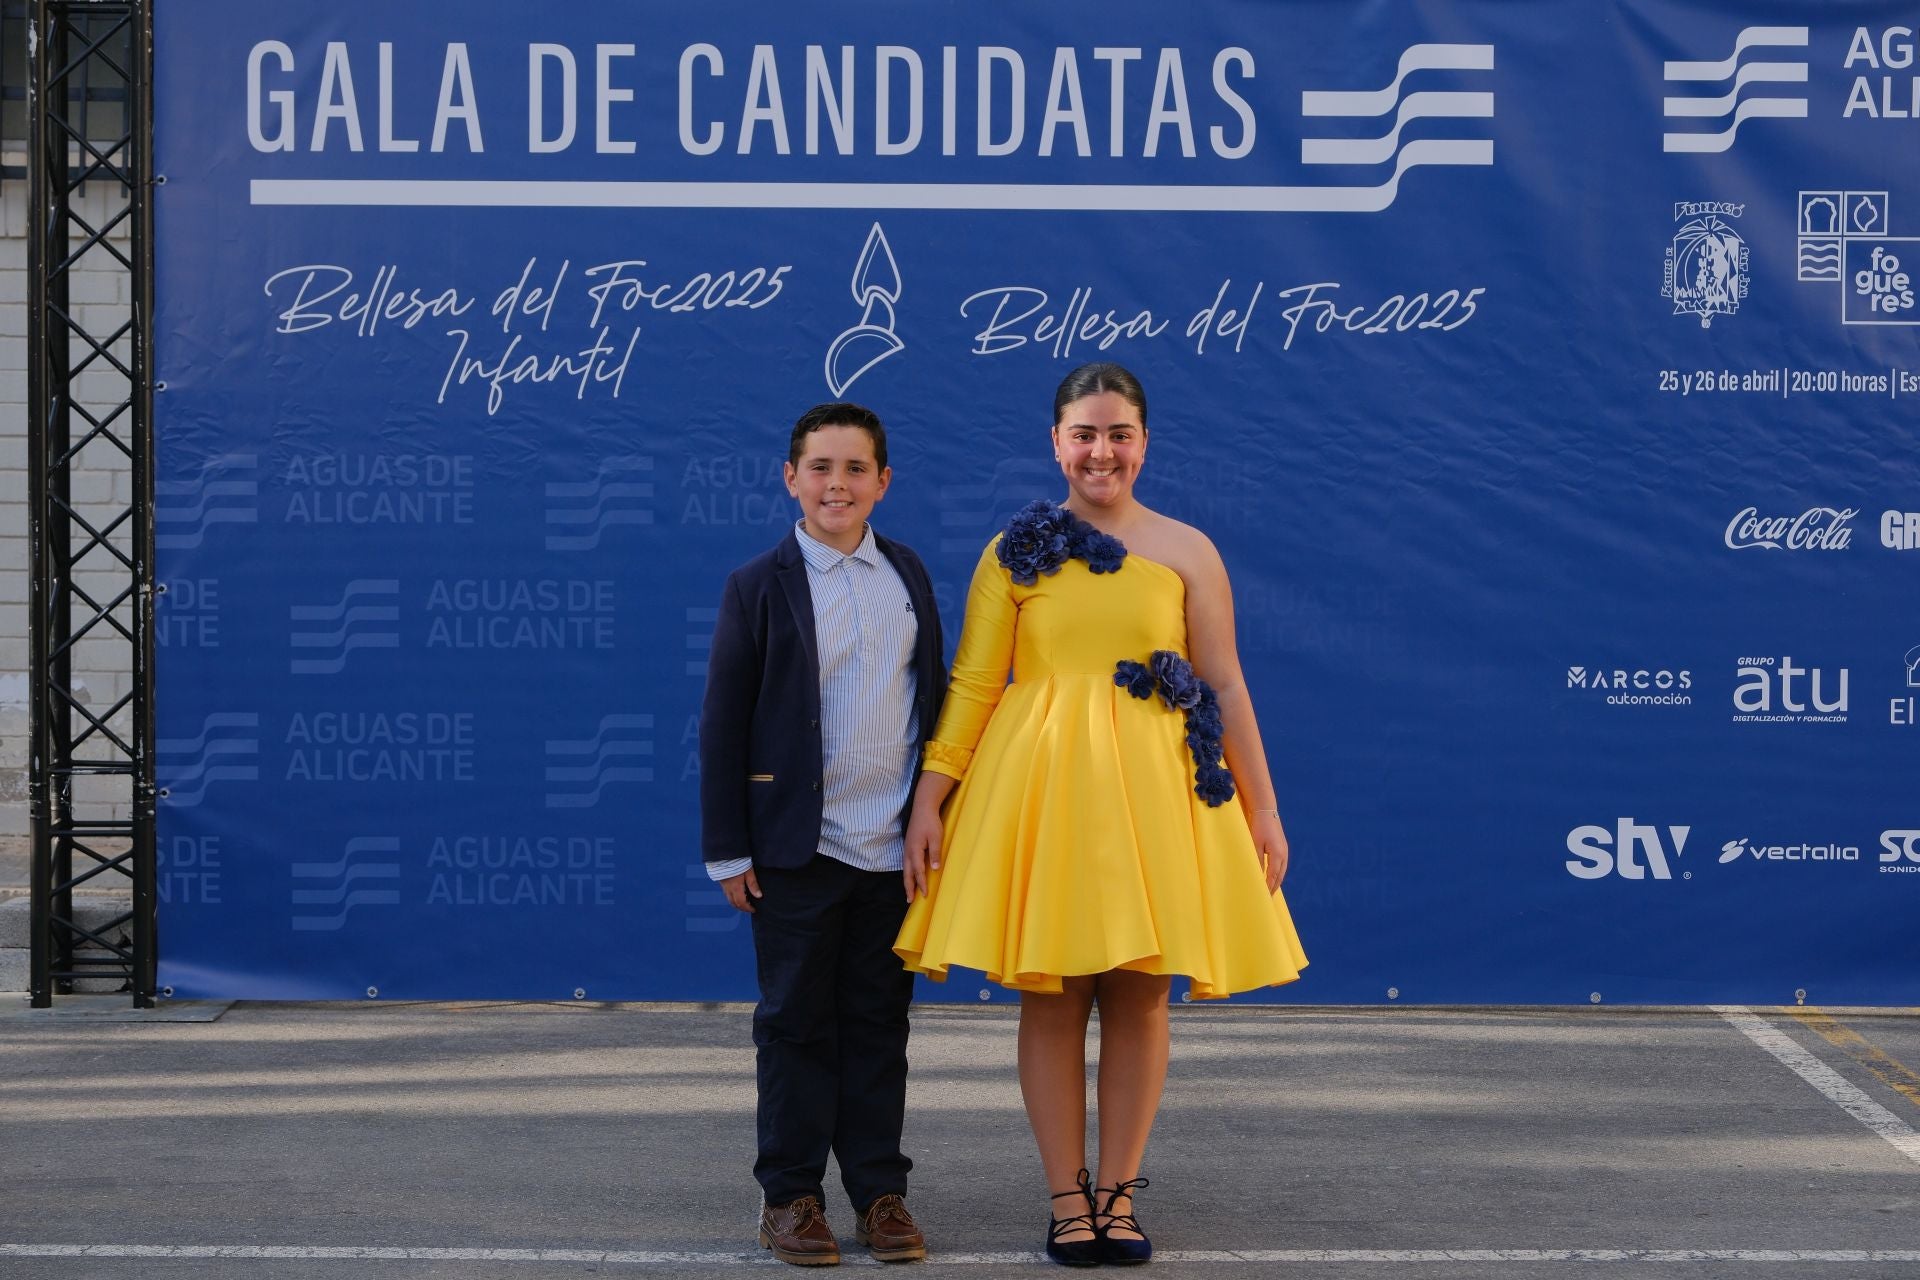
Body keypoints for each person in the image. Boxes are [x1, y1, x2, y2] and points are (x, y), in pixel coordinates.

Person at [893, 363, 1307, 1267]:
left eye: (1119, 434)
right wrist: (932, 796)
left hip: (1156, 795)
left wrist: (1262, 806)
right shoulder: (1012, 552)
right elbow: (972, 685)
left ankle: (1118, 1196)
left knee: (1140, 992)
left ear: (1144, 443)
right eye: (1084, 433)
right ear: (1056, 443)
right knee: (1052, 992)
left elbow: (1226, 682)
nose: (1101, 451)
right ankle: (1064, 1201)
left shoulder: (1190, 550)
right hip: (1043, 794)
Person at [700, 402, 947, 1267]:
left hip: (891, 853)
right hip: (795, 852)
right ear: (790, 479)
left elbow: (935, 707)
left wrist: (935, 816)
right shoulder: (757, 586)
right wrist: (729, 848)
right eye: (819, 468)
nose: (836, 484)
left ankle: (881, 1192)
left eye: (854, 469)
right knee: (797, 1025)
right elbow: (724, 722)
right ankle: (792, 1198)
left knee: (880, 1023)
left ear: (883, 482)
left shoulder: (907, 574)